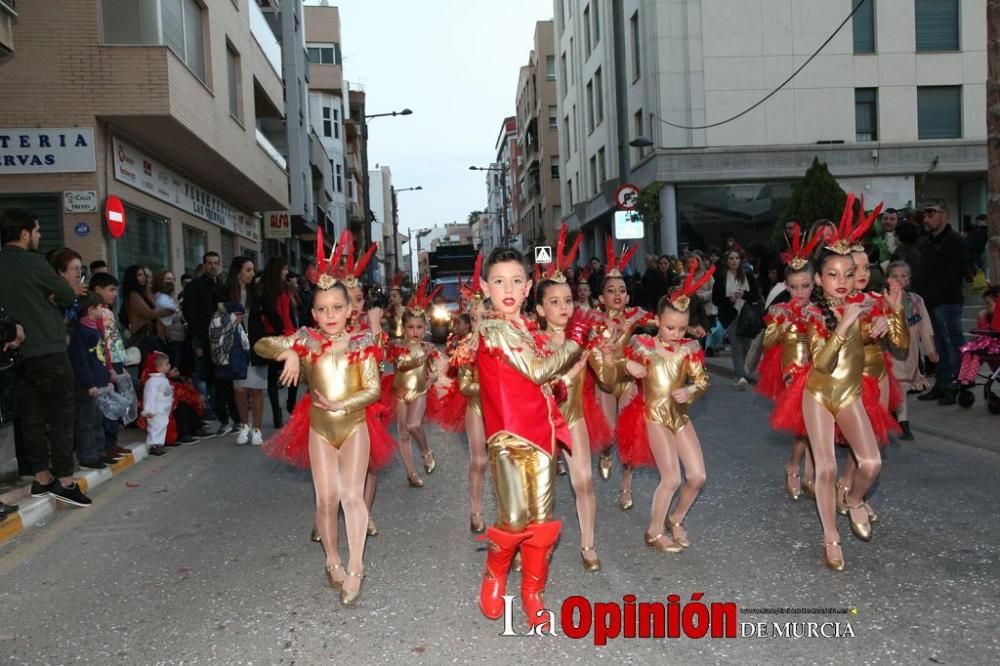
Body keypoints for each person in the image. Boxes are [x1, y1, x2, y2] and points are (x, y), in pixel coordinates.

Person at [256, 270, 391, 606]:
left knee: (352, 496)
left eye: (336, 308)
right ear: (313, 313)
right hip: (319, 430)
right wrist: (286, 352)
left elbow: (373, 390)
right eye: (322, 309)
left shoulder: (362, 343)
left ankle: (357, 567)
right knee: (326, 499)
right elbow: (261, 343)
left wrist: (341, 403)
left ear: (349, 310)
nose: (330, 315)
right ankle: (332, 560)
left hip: (354, 425)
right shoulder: (307, 340)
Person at [475, 246, 588, 630]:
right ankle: (495, 574)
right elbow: (537, 370)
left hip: (541, 435)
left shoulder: (529, 331)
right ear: (485, 286)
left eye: (517, 280)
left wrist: (561, 383)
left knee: (541, 520)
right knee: (513, 516)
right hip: (506, 436)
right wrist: (573, 342)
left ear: (527, 289)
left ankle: (533, 592)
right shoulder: (493, 328)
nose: (508, 288)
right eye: (499, 281)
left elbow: (541, 383)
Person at [801, 201, 885, 571]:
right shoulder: (813, 313)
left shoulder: (861, 305)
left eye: (848, 274)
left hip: (849, 393)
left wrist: (878, 328)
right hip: (817, 393)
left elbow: (874, 336)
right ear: (819, 279)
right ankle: (830, 536)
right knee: (826, 469)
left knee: (871, 462)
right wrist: (846, 322)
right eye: (833, 274)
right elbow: (820, 363)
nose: (841, 281)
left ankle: (852, 500)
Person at [614, 265, 713, 553]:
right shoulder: (642, 345)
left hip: (679, 416)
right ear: (657, 321)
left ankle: (676, 518)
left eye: (682, 328)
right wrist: (625, 365)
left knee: (697, 476)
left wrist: (691, 389)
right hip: (653, 416)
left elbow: (702, 379)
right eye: (670, 327)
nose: (676, 333)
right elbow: (613, 366)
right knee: (671, 477)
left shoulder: (689, 348)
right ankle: (653, 531)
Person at [0, 209, 91, 507]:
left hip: (18, 355)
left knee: (32, 418)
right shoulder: (34, 262)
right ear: (24, 233)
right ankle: (64, 481)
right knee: (62, 416)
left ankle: (42, 479)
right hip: (49, 350)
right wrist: (63, 294)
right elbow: (66, 296)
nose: (39, 236)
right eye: (37, 231)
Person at [533, 227, 610, 571]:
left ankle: (588, 544)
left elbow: (608, 378)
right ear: (539, 309)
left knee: (583, 480)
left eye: (567, 300)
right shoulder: (531, 343)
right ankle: (539, 545)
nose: (564, 307)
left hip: (575, 416)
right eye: (554, 302)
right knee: (541, 490)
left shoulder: (586, 335)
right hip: (541, 422)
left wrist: (608, 356)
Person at [589, 240, 653, 509]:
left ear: (628, 296)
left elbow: (661, 322)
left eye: (622, 291)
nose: (617, 295)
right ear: (601, 298)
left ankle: (626, 488)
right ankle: (605, 453)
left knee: (629, 432)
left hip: (628, 381)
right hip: (605, 382)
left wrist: (686, 327)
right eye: (611, 291)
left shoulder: (634, 316)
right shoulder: (593, 320)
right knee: (609, 435)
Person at [761, 224, 820, 501]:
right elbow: (768, 342)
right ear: (786, 286)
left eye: (806, 286)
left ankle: (808, 473)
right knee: (804, 425)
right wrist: (783, 324)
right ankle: (795, 467)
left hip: (819, 370)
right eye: (794, 287)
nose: (800, 292)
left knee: (816, 426)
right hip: (792, 370)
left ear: (815, 282)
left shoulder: (820, 311)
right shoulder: (779, 310)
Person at [386, 280, 440, 488]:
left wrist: (433, 376)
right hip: (400, 392)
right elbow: (402, 367)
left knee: (413, 424)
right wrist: (421, 357)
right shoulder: (398, 347)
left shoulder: (428, 346)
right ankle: (411, 473)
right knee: (403, 433)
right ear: (404, 328)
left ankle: (426, 451)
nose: (415, 331)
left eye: (419, 327)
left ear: (425, 328)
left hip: (419, 392)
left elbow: (432, 369)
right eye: (411, 327)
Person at [914, 203, 968, 405]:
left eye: (931, 213)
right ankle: (942, 384)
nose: (926, 218)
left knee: (953, 345)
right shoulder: (927, 242)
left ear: (944, 216)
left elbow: (959, 271)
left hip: (947, 302)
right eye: (925, 214)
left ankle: (958, 385)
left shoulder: (955, 241)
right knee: (938, 346)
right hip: (929, 302)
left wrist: (936, 294)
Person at [886, 261, 937, 440]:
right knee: (896, 385)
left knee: (902, 387)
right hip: (889, 351)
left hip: (911, 352)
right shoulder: (882, 300)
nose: (899, 280)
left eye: (903, 276)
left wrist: (930, 350)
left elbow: (925, 326)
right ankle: (903, 422)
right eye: (895, 276)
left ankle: (898, 416)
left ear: (909, 279)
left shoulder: (916, 300)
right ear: (887, 278)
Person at [219, 257, 265, 445]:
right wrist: (229, 317)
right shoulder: (225, 292)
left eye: (253, 270)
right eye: (248, 270)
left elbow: (269, 313)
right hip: (235, 346)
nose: (252, 274)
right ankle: (244, 425)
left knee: (256, 389)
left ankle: (257, 429)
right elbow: (216, 315)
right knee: (239, 389)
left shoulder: (258, 292)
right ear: (238, 271)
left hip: (256, 345)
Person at [68, 293, 115, 471]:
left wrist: (107, 375)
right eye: (99, 307)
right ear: (90, 310)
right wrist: (89, 384)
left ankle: (99, 452)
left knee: (97, 419)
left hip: (98, 383)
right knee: (86, 422)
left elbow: (100, 357)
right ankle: (87, 456)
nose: (103, 310)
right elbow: (81, 361)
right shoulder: (81, 333)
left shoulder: (95, 329)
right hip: (88, 386)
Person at [182, 251, 226, 433]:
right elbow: (189, 311)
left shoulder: (221, 285)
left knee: (219, 376)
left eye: (216, 263)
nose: (213, 266)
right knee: (202, 377)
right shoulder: (194, 286)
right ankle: (205, 412)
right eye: (209, 263)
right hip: (201, 337)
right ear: (204, 264)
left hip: (220, 338)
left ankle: (220, 411)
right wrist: (199, 333)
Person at [712, 249, 760, 388]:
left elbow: (756, 295)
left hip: (747, 315)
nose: (734, 261)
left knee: (747, 345)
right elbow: (716, 299)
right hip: (730, 315)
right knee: (736, 345)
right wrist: (730, 299)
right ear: (727, 262)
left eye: (736, 258)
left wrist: (744, 294)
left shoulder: (748, 276)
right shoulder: (721, 277)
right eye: (731, 258)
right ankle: (740, 376)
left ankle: (747, 372)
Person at [259, 258, 296, 429]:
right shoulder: (265, 289)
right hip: (274, 334)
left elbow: (289, 312)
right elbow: (271, 314)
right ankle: (278, 413)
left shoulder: (285, 288)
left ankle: (290, 404)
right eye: (284, 269)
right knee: (274, 376)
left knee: (293, 372)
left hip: (287, 333)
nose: (286, 272)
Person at [120, 265, 172, 358]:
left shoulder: (144, 293)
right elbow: (149, 313)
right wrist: (168, 311)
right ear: (133, 277)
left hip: (152, 335)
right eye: (139, 275)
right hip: (144, 336)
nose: (143, 278)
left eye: (144, 275)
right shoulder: (133, 295)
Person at [152, 271, 186, 371]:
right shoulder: (161, 298)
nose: (171, 282)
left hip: (178, 337)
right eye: (167, 279)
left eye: (172, 279)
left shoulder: (169, 297)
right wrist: (179, 312)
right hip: (171, 339)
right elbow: (167, 319)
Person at [142, 352, 174, 457]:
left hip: (163, 409)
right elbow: (149, 396)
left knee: (162, 426)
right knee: (156, 427)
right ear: (158, 368)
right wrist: (149, 410)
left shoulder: (162, 379)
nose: (169, 366)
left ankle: (159, 444)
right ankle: (154, 445)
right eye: (167, 364)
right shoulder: (152, 381)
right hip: (156, 410)